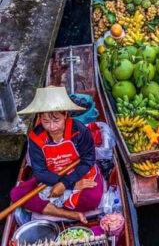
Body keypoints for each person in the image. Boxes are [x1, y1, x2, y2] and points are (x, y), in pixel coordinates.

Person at [10, 87, 103, 223]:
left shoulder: (80, 131)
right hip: (50, 176)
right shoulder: (36, 137)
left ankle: (47, 208)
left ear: (65, 114)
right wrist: (68, 185)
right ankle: (71, 215)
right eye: (46, 121)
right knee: (16, 194)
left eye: (56, 120)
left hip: (77, 173)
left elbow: (88, 160)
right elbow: (40, 171)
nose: (52, 127)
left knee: (93, 198)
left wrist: (67, 183)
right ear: (39, 117)